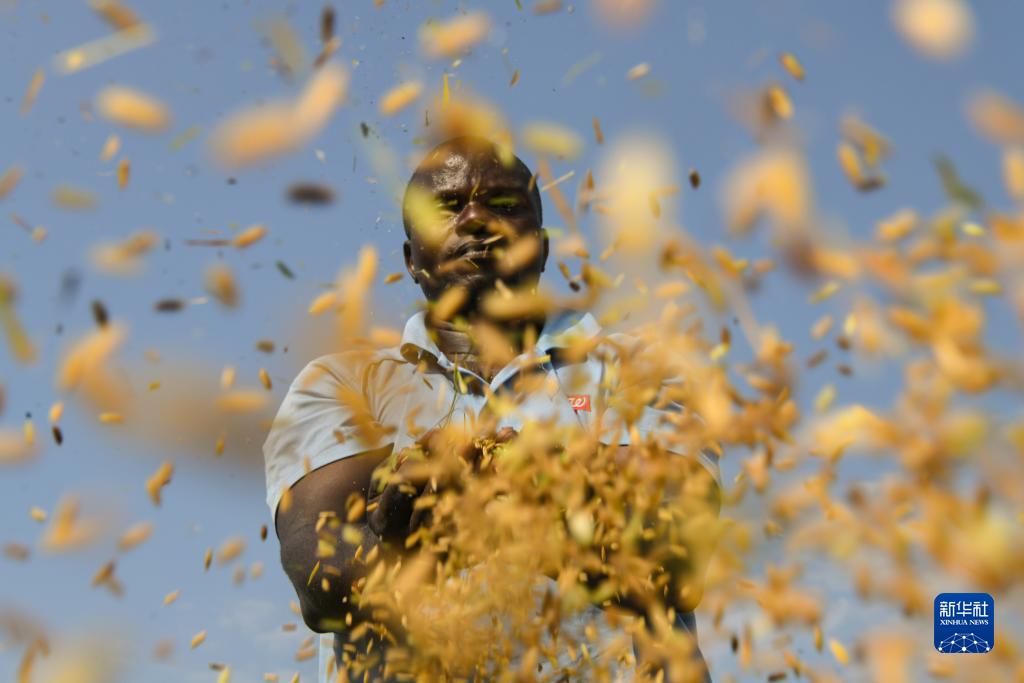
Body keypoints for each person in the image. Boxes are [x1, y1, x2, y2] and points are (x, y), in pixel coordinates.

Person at [263, 136, 721, 682]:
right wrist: (397, 545)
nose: (477, 219)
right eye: (448, 208)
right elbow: (322, 585)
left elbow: (677, 555)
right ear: (411, 259)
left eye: (504, 206)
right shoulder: (343, 384)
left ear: (543, 248)